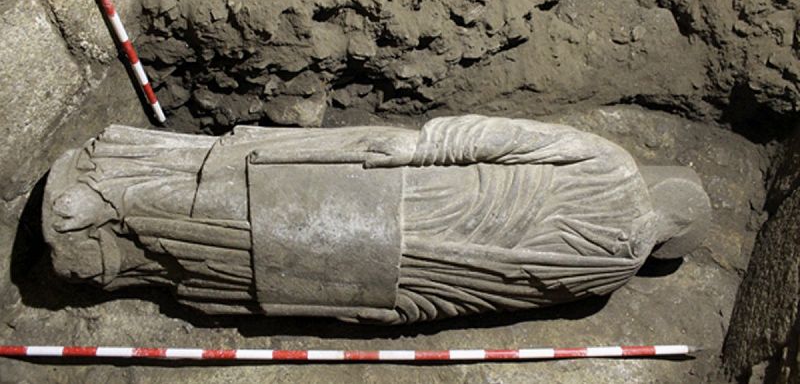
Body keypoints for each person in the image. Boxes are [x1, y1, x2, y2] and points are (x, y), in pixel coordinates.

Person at [42, 115, 711, 324]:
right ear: (664, 248)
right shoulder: (603, 283)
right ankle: (124, 258)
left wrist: (421, 146)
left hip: (428, 196)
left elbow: (499, 139)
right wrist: (407, 307)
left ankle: (112, 198)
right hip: (410, 273)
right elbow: (491, 300)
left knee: (266, 188)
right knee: (260, 256)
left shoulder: (614, 166)